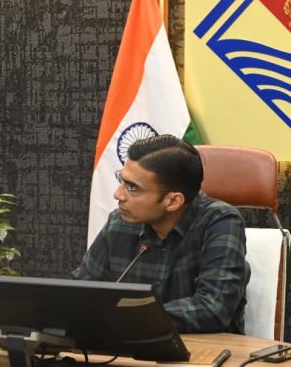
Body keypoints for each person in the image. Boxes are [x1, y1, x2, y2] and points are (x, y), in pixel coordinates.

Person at [73, 135, 250, 334]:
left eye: (132, 187)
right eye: (122, 180)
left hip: (206, 348)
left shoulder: (220, 222)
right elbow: (82, 291)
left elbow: (213, 308)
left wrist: (126, 315)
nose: (118, 194)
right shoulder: (119, 223)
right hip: (130, 344)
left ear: (173, 201)